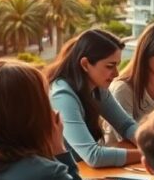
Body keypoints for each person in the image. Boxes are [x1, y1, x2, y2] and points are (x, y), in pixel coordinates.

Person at [48, 29, 142, 167]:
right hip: (59, 178)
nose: (116, 73)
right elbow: (93, 156)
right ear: (85, 64)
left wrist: (150, 145)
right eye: (110, 66)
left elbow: (125, 125)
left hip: (81, 173)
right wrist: (148, 154)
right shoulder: (62, 96)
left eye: (117, 65)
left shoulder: (96, 87)